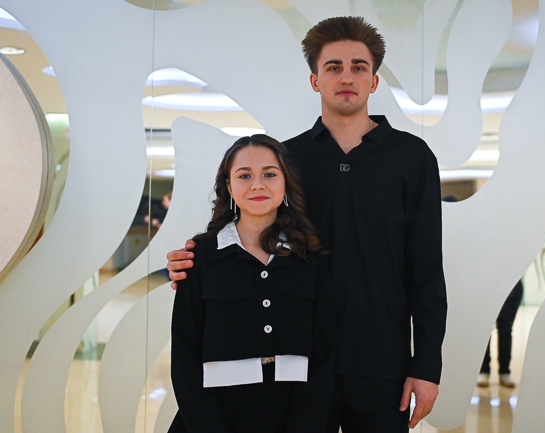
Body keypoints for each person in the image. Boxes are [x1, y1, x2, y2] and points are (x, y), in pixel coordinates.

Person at [167, 17, 447, 432]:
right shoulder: (287, 161)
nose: (346, 77)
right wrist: (196, 260)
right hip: (297, 368)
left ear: (374, 81)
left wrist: (426, 365)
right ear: (315, 80)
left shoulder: (412, 158)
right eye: (333, 67)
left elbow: (426, 270)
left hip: (381, 361)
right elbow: (247, 235)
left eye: (358, 67)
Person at [168, 135, 335, 433]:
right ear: (229, 187)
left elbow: (324, 355)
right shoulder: (200, 258)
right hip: (214, 416)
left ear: (285, 184)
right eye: (244, 176)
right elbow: (184, 360)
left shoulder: (310, 260)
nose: (257, 185)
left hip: (294, 414)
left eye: (269, 174)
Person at [476, 280, 523, 388]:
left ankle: (505, 372)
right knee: (485, 330)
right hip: (487, 286)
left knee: (506, 330)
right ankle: (484, 370)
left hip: (512, 288)